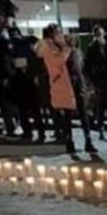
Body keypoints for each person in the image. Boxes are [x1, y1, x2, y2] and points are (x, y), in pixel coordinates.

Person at [35, 24, 76, 153]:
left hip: (62, 82)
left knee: (66, 114)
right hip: (59, 83)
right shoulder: (48, 46)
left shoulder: (53, 46)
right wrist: (66, 48)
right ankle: (67, 140)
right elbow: (58, 60)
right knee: (64, 114)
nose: (61, 35)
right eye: (58, 32)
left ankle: (67, 138)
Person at [66, 34, 97, 153]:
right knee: (69, 115)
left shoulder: (77, 54)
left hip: (77, 85)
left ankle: (87, 140)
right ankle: (70, 141)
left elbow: (83, 71)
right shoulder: (66, 55)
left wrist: (85, 85)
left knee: (83, 114)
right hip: (70, 85)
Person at [84, 25, 107, 139]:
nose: (100, 36)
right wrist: (91, 80)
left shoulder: (106, 46)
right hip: (98, 80)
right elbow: (87, 66)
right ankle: (100, 126)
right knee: (100, 105)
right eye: (98, 34)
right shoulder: (92, 48)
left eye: (101, 34)